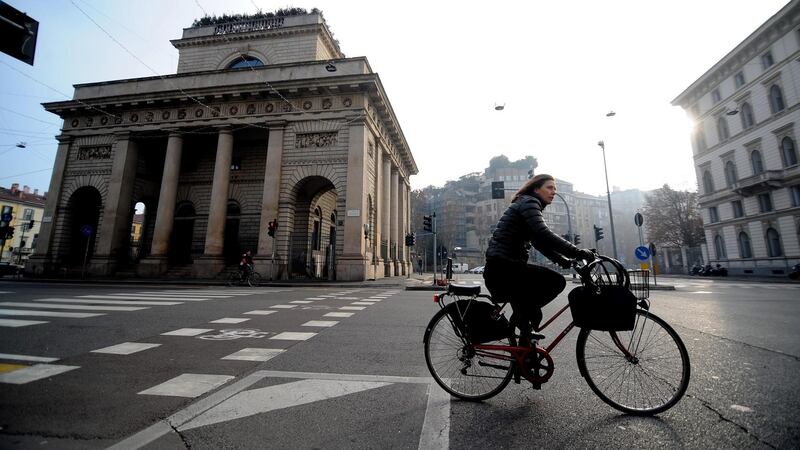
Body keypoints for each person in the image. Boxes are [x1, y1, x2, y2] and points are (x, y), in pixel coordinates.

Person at [483, 174, 594, 345]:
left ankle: (525, 354)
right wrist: (577, 252)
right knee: (556, 281)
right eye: (549, 188)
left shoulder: (527, 204)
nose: (554, 192)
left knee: (532, 313)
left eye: (555, 189)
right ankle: (521, 320)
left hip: (505, 268)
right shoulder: (529, 202)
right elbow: (544, 234)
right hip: (503, 268)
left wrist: (565, 261)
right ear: (536, 189)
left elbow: (539, 242)